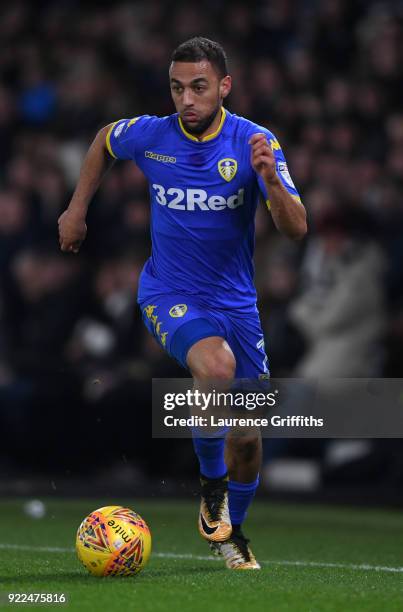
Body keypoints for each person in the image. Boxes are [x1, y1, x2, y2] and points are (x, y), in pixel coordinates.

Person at [58, 37, 307, 570]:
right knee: (215, 368)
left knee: (247, 436)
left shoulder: (255, 142)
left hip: (236, 305)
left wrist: (270, 183)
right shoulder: (152, 135)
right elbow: (104, 140)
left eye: (198, 86)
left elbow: (296, 229)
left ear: (224, 87)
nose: (186, 99)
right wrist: (76, 210)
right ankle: (210, 488)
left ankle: (232, 534)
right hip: (169, 291)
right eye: (177, 87)